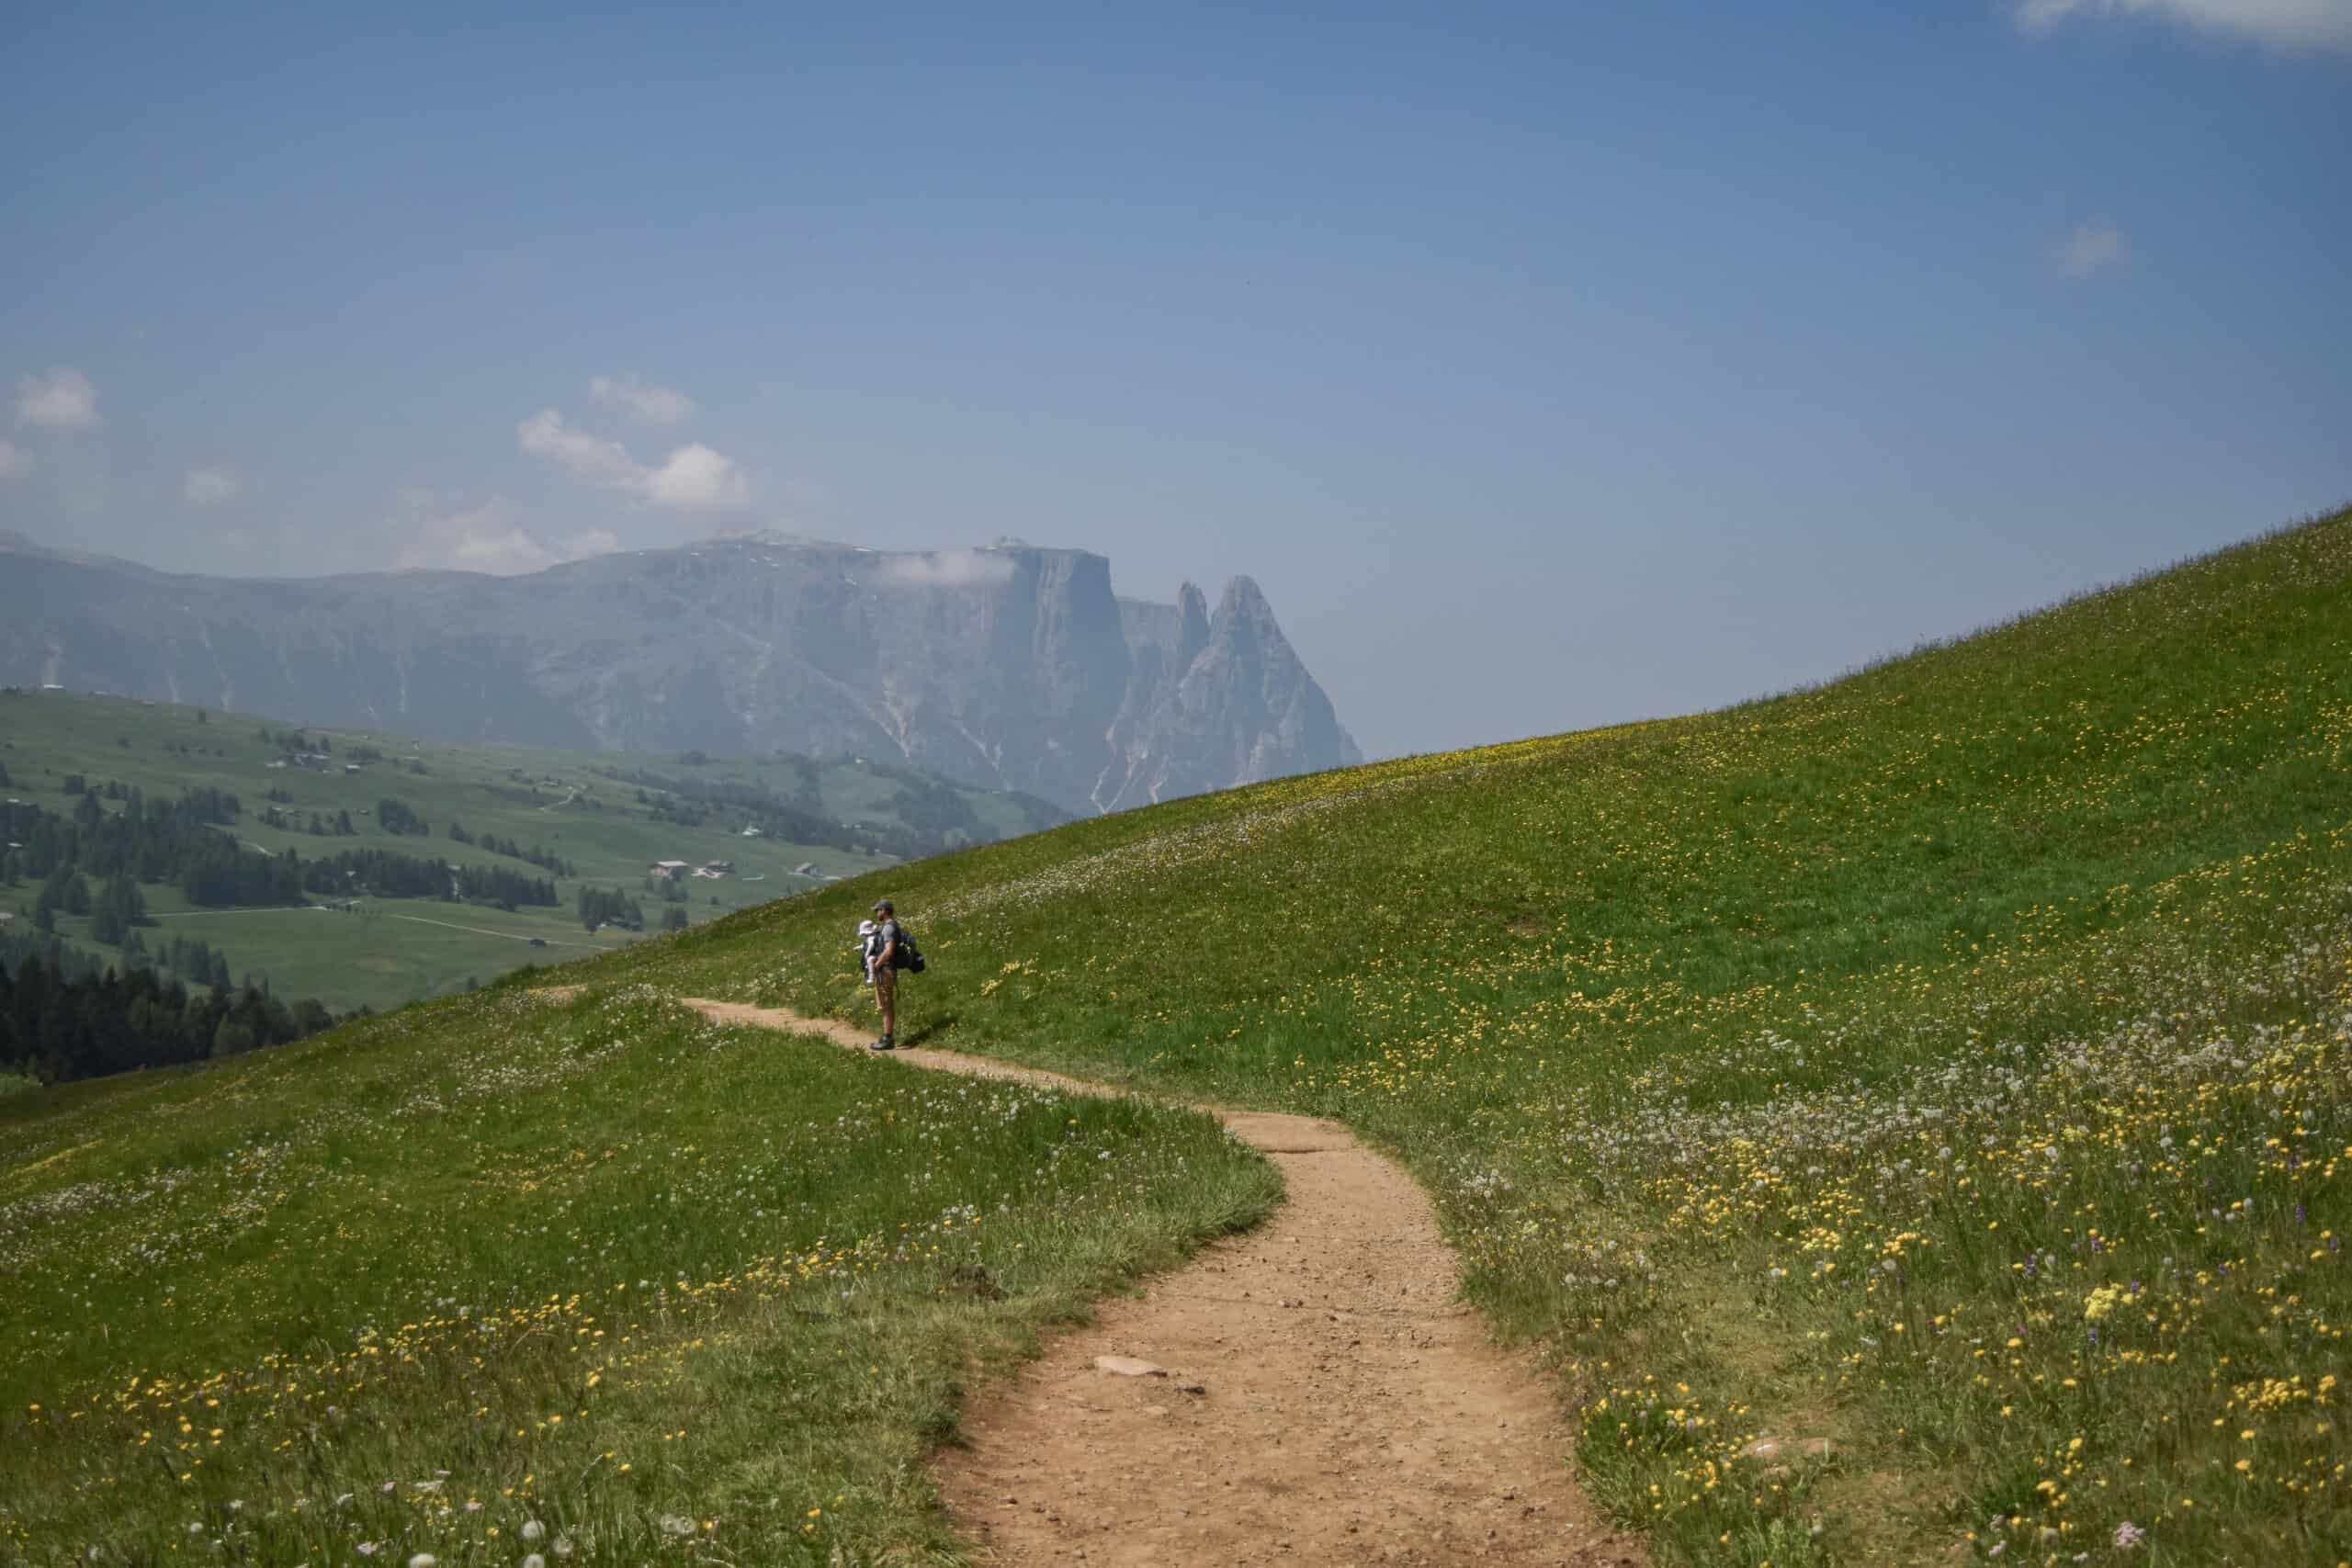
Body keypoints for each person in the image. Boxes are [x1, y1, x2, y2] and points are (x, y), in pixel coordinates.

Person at [866, 898, 903, 1049]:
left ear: (884, 911)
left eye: (878, 910)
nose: (876, 913)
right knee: (886, 1004)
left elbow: (889, 951)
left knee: (886, 1005)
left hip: (886, 970)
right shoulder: (890, 926)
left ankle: (888, 1038)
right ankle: (887, 1036)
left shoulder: (888, 928)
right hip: (888, 969)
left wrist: (876, 965)